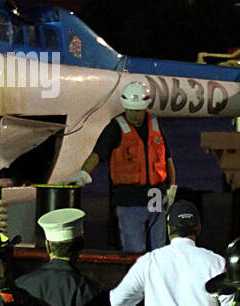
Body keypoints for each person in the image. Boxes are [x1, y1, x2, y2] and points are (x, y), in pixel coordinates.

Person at [75, 81, 177, 253]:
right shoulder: (115, 128)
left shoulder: (155, 125)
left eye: (138, 111)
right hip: (129, 200)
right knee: (134, 250)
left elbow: (167, 160)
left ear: (145, 107)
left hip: (156, 198)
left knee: (160, 249)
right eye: (131, 111)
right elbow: (97, 154)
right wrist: (84, 173)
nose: (135, 115)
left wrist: (172, 187)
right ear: (125, 107)